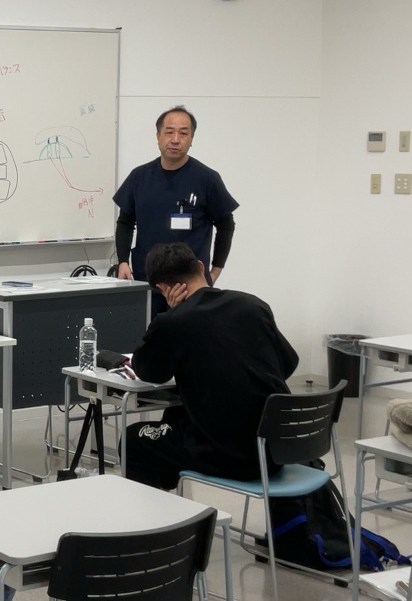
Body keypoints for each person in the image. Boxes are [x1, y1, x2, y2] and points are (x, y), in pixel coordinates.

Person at [122, 243, 298, 491]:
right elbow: (288, 363)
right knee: (175, 418)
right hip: (278, 450)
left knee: (132, 441)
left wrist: (170, 315)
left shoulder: (173, 322)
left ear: (162, 288)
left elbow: (149, 371)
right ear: (201, 266)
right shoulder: (253, 305)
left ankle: (161, 513)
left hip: (228, 455)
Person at [112, 106, 238, 302]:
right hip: (148, 281)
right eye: (169, 132)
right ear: (158, 136)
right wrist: (123, 261)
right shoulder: (139, 177)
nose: (175, 139)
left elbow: (226, 224)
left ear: (192, 139)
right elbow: (125, 222)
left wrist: (215, 271)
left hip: (191, 286)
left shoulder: (207, 179)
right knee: (150, 323)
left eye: (183, 133)